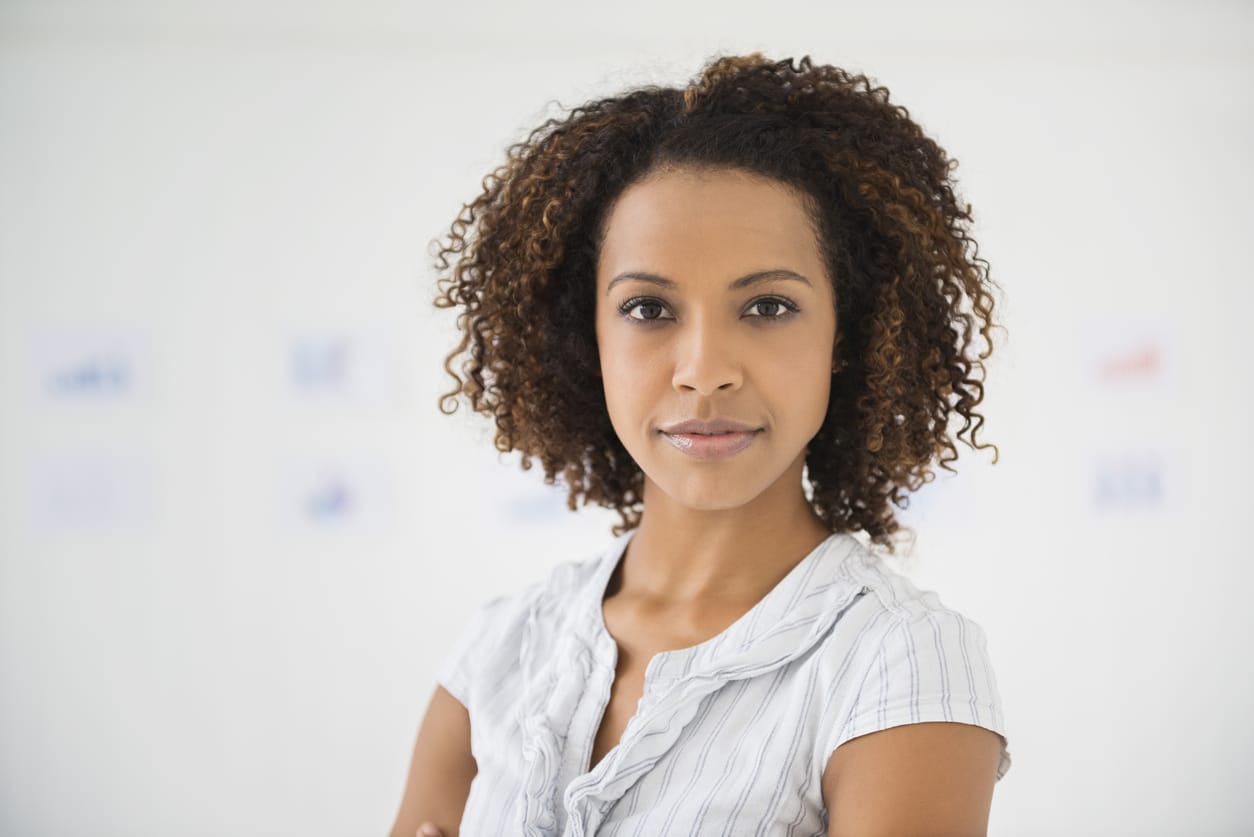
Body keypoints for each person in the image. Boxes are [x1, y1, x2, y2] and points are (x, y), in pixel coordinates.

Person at [389, 52, 1012, 837]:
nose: (705, 371)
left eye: (769, 306)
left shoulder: (901, 661)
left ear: (845, 335)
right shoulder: (502, 647)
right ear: (588, 337)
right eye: (649, 309)